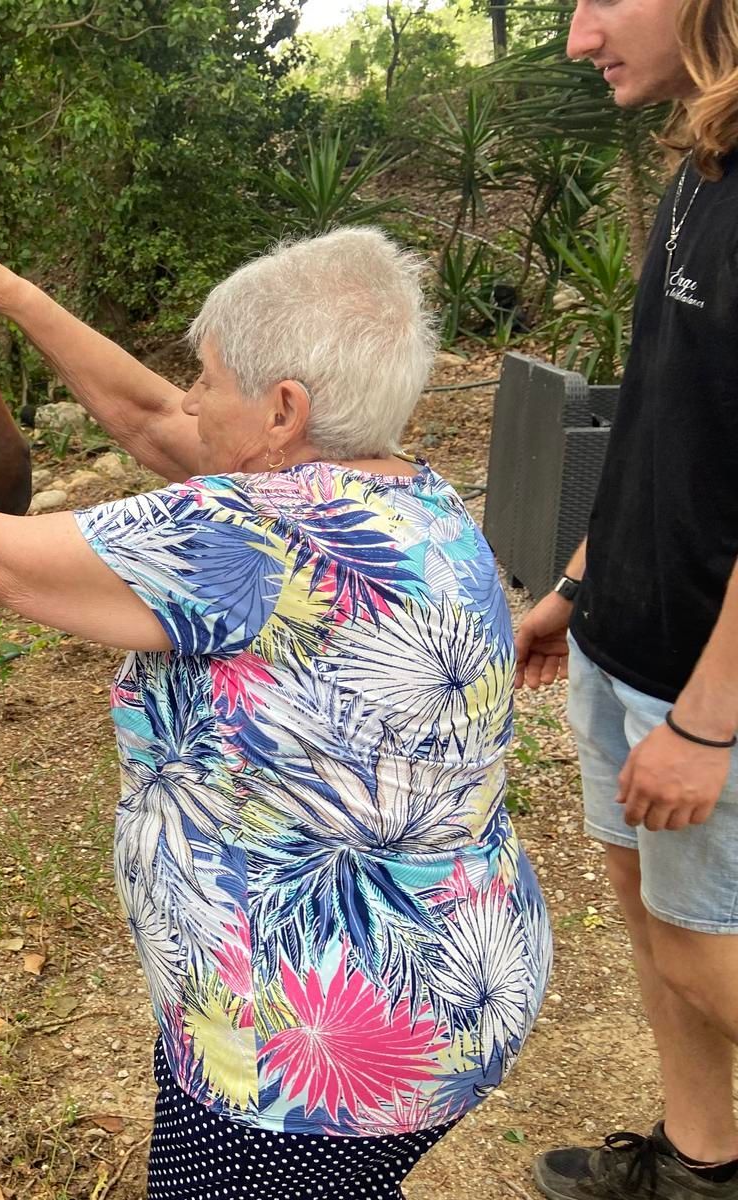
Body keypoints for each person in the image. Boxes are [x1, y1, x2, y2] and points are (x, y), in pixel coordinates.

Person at [0, 213, 552, 1199]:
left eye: (208, 377)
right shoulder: (414, 502)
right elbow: (158, 423)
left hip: (306, 1057)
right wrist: (11, 295)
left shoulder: (244, 533)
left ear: (283, 410)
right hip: (454, 981)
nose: (190, 397)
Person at [514, 0, 738, 1196]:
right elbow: (661, 415)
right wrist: (575, 584)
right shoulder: (702, 163)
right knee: (651, 918)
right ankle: (700, 1165)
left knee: (707, 953)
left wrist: (707, 720)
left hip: (707, 678)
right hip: (623, 637)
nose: (576, 36)